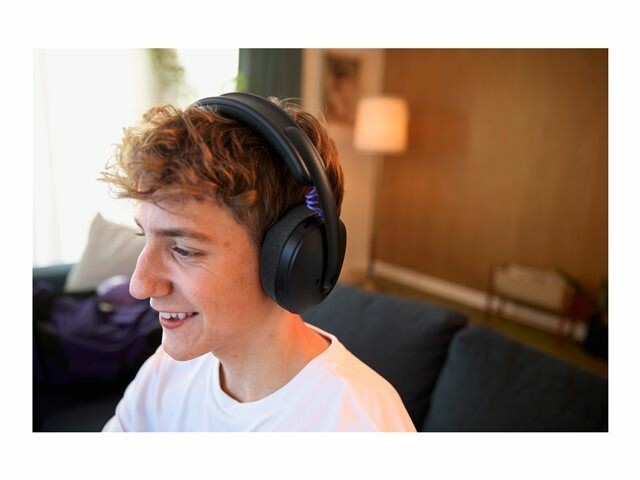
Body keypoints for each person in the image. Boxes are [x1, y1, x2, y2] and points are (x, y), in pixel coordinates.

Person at [99, 93, 415, 432]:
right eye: (143, 235)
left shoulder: (360, 423)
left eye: (184, 250)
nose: (139, 285)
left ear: (289, 260)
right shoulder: (166, 373)